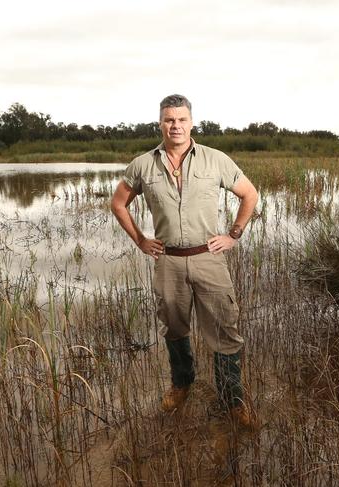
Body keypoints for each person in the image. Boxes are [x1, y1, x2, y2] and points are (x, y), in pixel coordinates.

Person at [110, 94, 259, 427]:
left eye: (181, 119)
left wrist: (233, 234)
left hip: (208, 258)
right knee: (174, 327)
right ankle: (182, 384)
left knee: (225, 328)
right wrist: (141, 240)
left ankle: (232, 401)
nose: (175, 125)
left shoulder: (216, 160)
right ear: (160, 123)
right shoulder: (142, 165)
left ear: (192, 122)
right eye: (168, 120)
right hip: (169, 262)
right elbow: (118, 204)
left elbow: (250, 194)